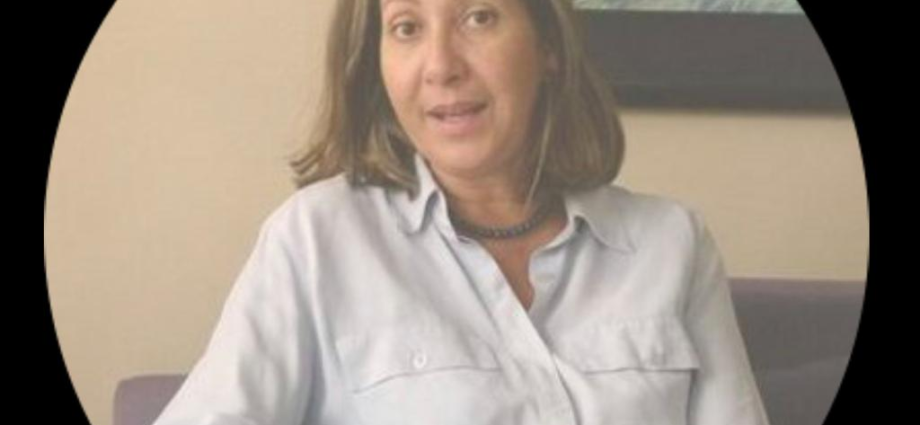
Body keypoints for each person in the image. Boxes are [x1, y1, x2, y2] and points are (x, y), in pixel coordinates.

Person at [153, 0, 771, 424]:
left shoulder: (673, 243)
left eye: (478, 17)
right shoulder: (315, 239)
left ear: (548, 46)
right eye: (406, 27)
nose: (442, 66)